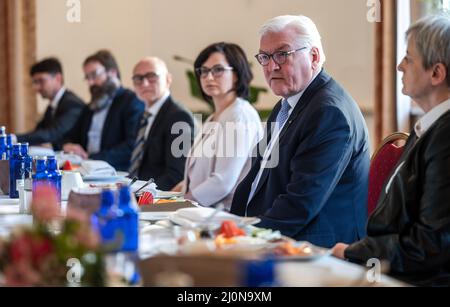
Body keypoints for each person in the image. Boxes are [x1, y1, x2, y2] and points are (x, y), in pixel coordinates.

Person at [230, 15, 370, 248]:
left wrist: (245, 238)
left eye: (282, 55)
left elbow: (301, 203)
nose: (271, 66)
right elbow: (256, 179)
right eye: (265, 57)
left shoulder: (329, 113)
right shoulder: (286, 105)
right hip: (276, 235)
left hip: (315, 248)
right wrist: (230, 225)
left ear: (313, 56)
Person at [333, 15, 450, 287]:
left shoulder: (445, 138)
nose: (399, 66)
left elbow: (429, 246)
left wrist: (353, 252)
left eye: (408, 58)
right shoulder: (429, 128)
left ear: (436, 73)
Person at [172, 42, 263, 210]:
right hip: (201, 211)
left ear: (236, 74)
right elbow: (197, 174)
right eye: (204, 71)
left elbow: (223, 181)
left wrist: (180, 205)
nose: (209, 77)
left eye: (218, 70)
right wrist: (171, 197)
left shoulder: (239, 115)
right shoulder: (214, 117)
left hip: (225, 216)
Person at [64, 50, 144, 171]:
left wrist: (91, 158)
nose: (90, 83)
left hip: (116, 173)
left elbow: (131, 145)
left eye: (94, 75)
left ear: (112, 72)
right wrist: (69, 146)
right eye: (87, 78)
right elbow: (71, 136)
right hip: (86, 169)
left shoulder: (132, 101)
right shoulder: (90, 107)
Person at [128, 57, 195, 190]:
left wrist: (137, 193)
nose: (144, 83)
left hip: (156, 200)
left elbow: (177, 175)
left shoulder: (180, 118)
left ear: (168, 79)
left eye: (151, 76)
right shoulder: (144, 116)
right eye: (138, 78)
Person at [17, 58, 85, 150]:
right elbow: (39, 131)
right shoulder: (52, 106)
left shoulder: (72, 104)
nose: (36, 87)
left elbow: (51, 134)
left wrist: (13, 138)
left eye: (41, 81)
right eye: (35, 82)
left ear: (58, 78)